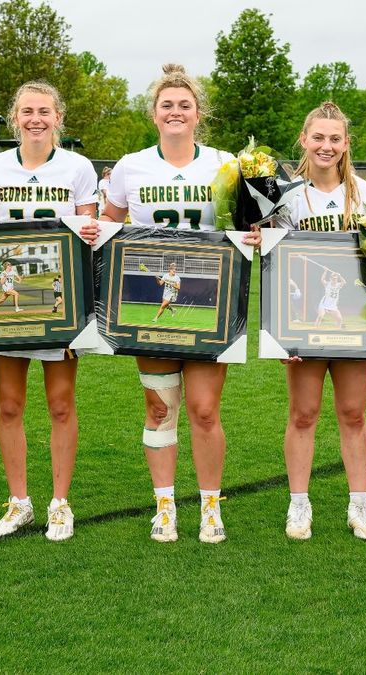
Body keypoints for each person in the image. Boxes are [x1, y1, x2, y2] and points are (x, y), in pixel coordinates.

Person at [101, 64, 260, 543]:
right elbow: (110, 223)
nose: (175, 111)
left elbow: (247, 224)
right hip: (149, 296)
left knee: (205, 410)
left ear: (198, 115)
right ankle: (165, 505)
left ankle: (211, 506)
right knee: (158, 408)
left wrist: (254, 234)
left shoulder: (225, 163)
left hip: (211, 300)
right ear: (154, 114)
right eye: (166, 105)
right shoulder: (131, 165)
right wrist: (96, 231)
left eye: (184, 105)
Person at [278, 101, 366, 541]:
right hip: (305, 323)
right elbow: (276, 267)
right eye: (318, 137)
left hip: (356, 321)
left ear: (346, 143)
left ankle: (360, 505)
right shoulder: (288, 198)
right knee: (304, 413)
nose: (326, 146)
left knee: (353, 414)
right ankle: (299, 505)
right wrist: (282, 331)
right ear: (304, 139)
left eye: (335, 138)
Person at [0, 80, 98, 541]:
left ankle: (60, 503)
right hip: (10, 306)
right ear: (15, 117)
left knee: (61, 403)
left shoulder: (78, 167)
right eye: (27, 111)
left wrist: (90, 231)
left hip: (61, 298)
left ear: (58, 117)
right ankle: (19, 501)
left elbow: (91, 232)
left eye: (44, 111)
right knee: (9, 404)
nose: (36, 119)